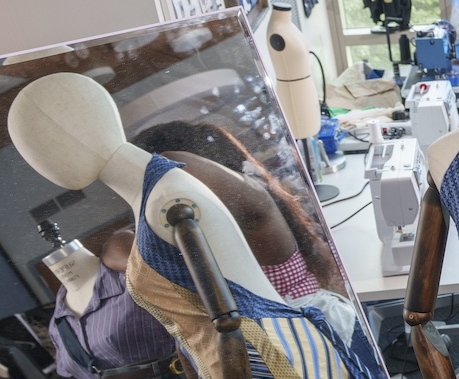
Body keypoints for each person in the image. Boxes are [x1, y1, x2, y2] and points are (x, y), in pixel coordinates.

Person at [133, 120, 344, 298]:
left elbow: (177, 161)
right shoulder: (222, 219)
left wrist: (134, 160)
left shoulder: (252, 203)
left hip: (307, 322)